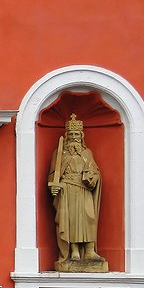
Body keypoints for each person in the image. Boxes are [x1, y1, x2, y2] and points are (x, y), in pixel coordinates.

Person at [48, 114, 104, 267]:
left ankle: (89, 250)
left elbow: (95, 171)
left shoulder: (87, 154)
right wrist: (54, 185)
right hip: (68, 190)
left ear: (81, 136)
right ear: (67, 136)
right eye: (71, 134)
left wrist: (92, 177)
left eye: (76, 134)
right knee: (70, 220)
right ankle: (74, 251)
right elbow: (54, 174)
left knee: (88, 218)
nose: (74, 137)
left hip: (84, 190)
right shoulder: (60, 154)